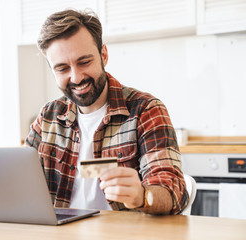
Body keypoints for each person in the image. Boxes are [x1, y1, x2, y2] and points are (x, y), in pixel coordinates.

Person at [25, 9, 188, 215]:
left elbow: (174, 192)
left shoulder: (146, 110)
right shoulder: (48, 116)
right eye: (62, 68)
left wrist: (142, 196)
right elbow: (21, 180)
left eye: (84, 62)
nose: (76, 78)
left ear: (103, 55)